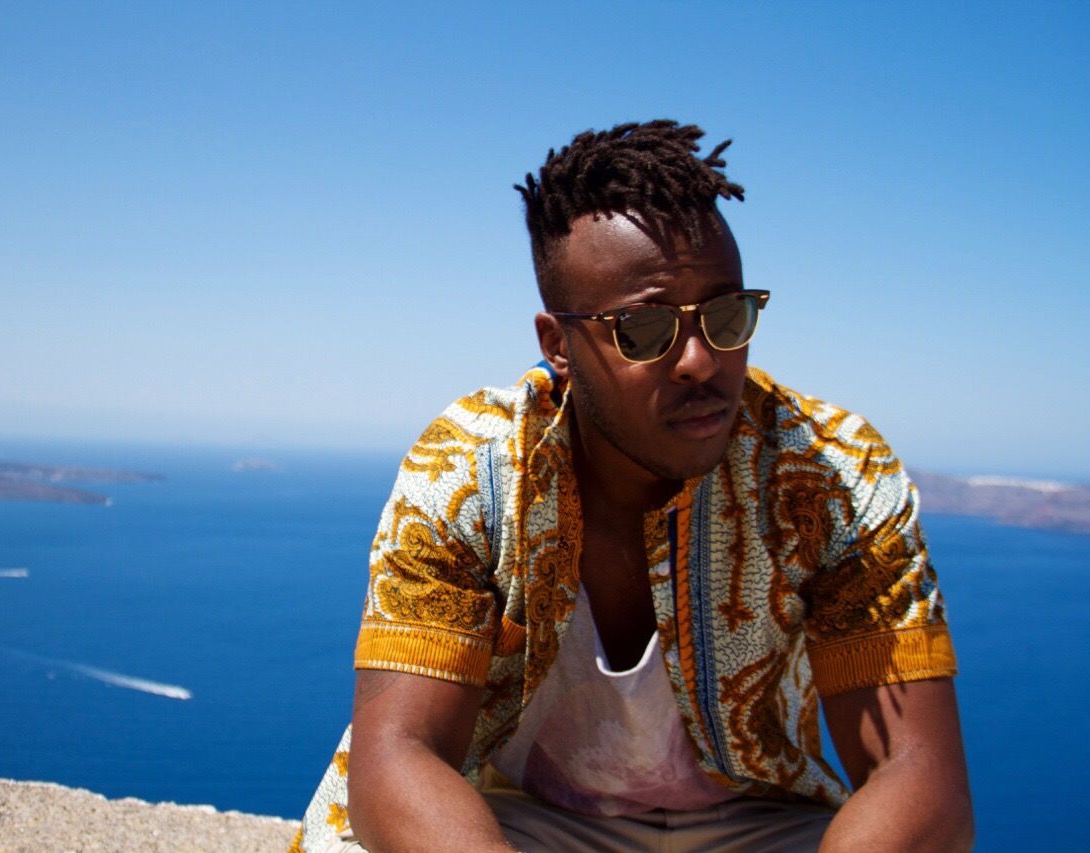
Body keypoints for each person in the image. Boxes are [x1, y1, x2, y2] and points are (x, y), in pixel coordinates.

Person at [290, 120, 973, 852]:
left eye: (726, 314)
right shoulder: (466, 472)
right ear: (557, 343)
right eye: (643, 329)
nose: (699, 360)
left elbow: (917, 770)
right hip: (520, 824)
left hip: (760, 828)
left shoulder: (833, 474)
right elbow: (400, 754)